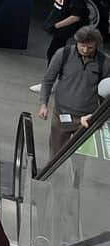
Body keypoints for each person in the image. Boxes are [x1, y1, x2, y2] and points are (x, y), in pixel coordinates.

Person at [37, 26, 110, 157]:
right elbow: (48, 80)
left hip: (87, 119)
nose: (85, 50)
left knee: (81, 159)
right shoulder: (63, 54)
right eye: (82, 46)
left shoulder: (104, 62)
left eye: (90, 47)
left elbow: (106, 91)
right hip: (61, 116)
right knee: (56, 156)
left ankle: (76, 178)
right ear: (76, 41)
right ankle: (54, 176)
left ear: (97, 45)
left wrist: (101, 117)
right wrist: (43, 104)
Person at [44, 0, 90, 66]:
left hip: (65, 27)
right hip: (58, 21)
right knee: (54, 52)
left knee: (54, 52)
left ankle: (54, 73)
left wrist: (57, 25)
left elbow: (75, 16)